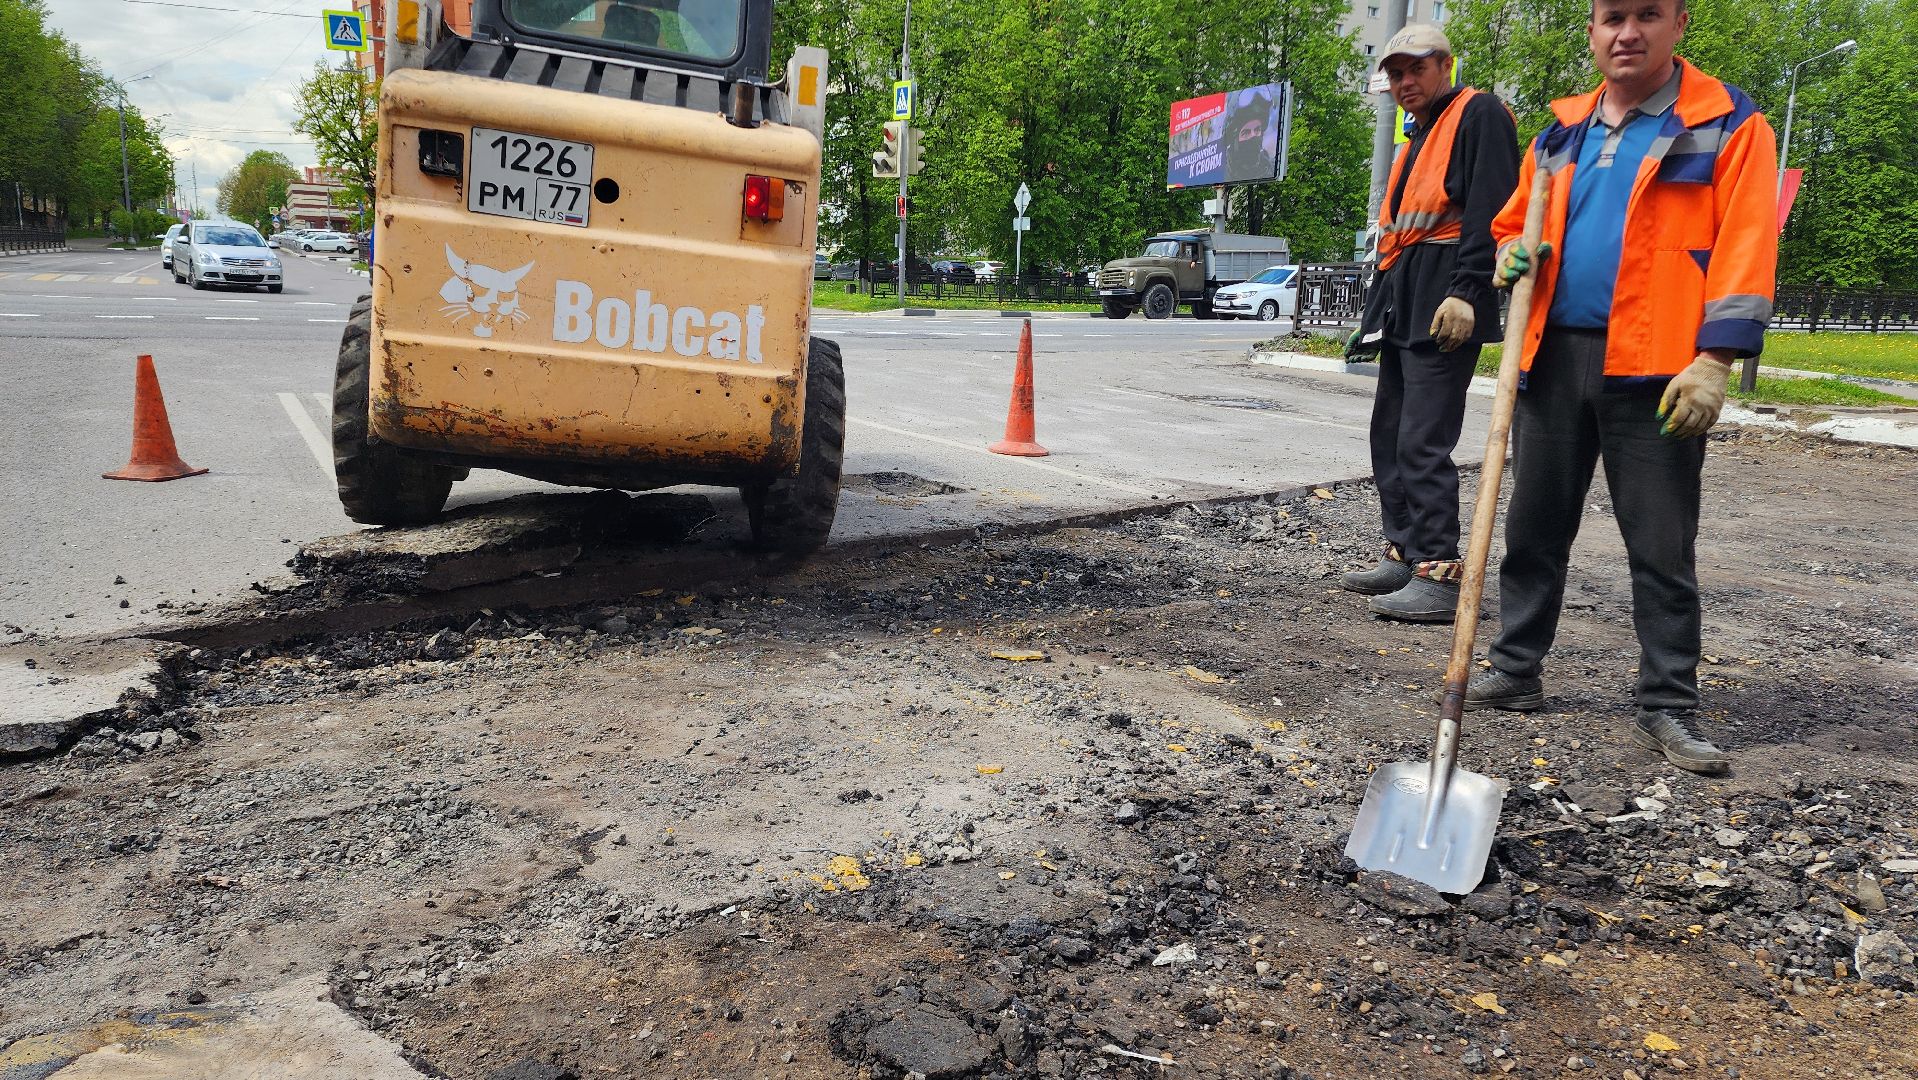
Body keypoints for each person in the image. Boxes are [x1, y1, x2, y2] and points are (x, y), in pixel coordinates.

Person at [1467, 0, 1777, 775]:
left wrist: (1716, 360)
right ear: (1593, 31)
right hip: (1555, 354)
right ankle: (1515, 671)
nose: (1626, 32)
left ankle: (1667, 703)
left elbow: (1746, 245)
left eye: (1646, 15)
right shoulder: (1559, 134)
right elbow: (1516, 224)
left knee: (1662, 544)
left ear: (1679, 24)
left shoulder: (1729, 124)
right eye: (1612, 17)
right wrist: (1514, 252)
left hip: (1662, 367)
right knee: (1534, 528)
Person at [1342, 25, 1519, 622]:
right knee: (1389, 434)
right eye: (1394, 74)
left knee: (1423, 439)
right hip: (1407, 295)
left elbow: (1492, 208)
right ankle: (1405, 551)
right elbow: (1405, 229)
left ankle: (1439, 573)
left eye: (1415, 69)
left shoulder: (1480, 115)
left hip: (1446, 296)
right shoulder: (1420, 132)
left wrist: (1469, 291)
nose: (1404, 82)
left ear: (1445, 65)